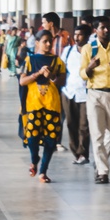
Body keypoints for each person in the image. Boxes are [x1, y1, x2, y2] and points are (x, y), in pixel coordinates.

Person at [81, 17, 110, 184]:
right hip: (94, 94)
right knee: (97, 134)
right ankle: (103, 171)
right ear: (95, 30)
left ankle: (100, 161)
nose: (106, 30)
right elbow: (82, 73)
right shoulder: (88, 49)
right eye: (103, 28)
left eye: (108, 28)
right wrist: (90, 67)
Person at [19, 31, 65, 184]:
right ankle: (34, 158)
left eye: (50, 41)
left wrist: (52, 76)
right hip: (34, 104)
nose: (48, 44)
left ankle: (43, 171)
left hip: (52, 104)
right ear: (37, 42)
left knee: (51, 140)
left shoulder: (57, 61)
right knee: (32, 138)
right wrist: (38, 74)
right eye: (44, 41)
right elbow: (22, 81)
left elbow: (62, 81)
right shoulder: (30, 60)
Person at [62, 24, 92, 166]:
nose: (77, 37)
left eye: (80, 35)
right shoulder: (68, 51)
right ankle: (76, 152)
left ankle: (83, 153)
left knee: (84, 125)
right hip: (69, 92)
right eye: (76, 34)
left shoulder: (92, 52)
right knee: (70, 124)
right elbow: (61, 69)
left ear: (86, 37)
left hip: (86, 93)